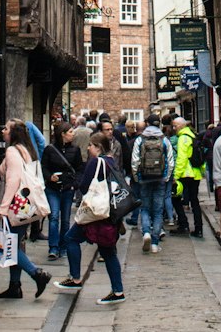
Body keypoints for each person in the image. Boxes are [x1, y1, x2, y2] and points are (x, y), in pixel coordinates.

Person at [55, 131, 127, 303]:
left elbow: (85, 186)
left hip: (95, 214)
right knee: (108, 251)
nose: (88, 148)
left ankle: (75, 278)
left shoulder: (96, 162)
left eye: (90, 145)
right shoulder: (111, 162)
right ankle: (118, 292)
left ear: (98, 147)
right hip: (109, 213)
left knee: (71, 238)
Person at [0, 123, 52, 301]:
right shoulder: (25, 149)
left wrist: (3, 207)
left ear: (14, 132)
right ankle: (15, 286)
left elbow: (13, 180)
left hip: (15, 206)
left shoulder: (12, 151)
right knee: (16, 244)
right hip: (26, 206)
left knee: (7, 246)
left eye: (6, 128)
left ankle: (37, 274)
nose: (3, 130)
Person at [131, 112, 174, 252]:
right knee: (158, 211)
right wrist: (167, 177)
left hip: (144, 178)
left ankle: (146, 233)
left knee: (145, 208)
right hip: (160, 178)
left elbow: (135, 161)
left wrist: (137, 177)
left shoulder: (140, 139)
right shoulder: (164, 139)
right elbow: (170, 160)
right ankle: (155, 243)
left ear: (147, 124)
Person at [42, 123, 78, 260]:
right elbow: (43, 167)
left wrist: (75, 184)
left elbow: (79, 168)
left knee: (66, 220)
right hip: (53, 188)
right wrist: (49, 176)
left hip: (68, 188)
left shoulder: (75, 150)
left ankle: (63, 246)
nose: (73, 134)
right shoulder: (50, 149)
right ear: (62, 134)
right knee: (54, 217)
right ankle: (53, 247)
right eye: (70, 131)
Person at [172, 117, 205, 237]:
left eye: (175, 126)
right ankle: (199, 229)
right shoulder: (193, 136)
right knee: (194, 201)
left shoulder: (183, 138)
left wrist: (176, 175)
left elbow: (181, 158)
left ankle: (183, 224)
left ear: (181, 126)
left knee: (175, 198)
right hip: (195, 174)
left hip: (185, 173)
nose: (174, 128)